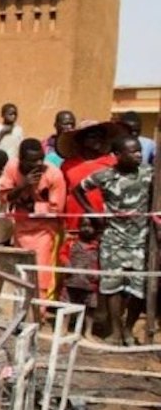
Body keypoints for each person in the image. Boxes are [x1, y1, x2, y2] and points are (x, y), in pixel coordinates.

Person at [75, 136, 152, 346]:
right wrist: (91, 211)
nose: (138, 154)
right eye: (132, 151)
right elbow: (78, 189)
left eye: (139, 150)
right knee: (112, 287)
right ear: (117, 156)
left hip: (141, 241)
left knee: (139, 288)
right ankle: (116, 332)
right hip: (113, 240)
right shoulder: (106, 176)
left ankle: (129, 330)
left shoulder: (149, 173)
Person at [0, 140, 67, 298]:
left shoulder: (53, 174)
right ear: (21, 159)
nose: (38, 163)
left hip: (45, 231)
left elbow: (57, 209)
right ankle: (21, 311)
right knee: (21, 272)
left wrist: (33, 207)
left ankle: (39, 314)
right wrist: (24, 185)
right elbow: (3, 196)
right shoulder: (12, 167)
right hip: (21, 229)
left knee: (40, 274)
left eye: (41, 159)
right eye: (33, 160)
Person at [59, 121, 128, 232]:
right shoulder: (67, 166)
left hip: (104, 227)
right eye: (93, 136)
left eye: (101, 136)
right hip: (74, 227)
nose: (98, 139)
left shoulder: (112, 163)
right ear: (81, 140)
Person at [59, 217, 102, 337]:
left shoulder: (97, 246)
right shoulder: (71, 242)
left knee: (90, 308)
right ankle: (64, 328)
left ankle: (88, 332)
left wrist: (97, 274)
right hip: (71, 281)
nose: (87, 229)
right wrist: (67, 263)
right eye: (83, 226)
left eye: (90, 226)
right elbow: (62, 254)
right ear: (78, 227)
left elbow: (100, 262)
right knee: (67, 305)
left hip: (90, 283)